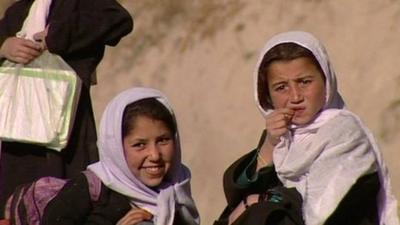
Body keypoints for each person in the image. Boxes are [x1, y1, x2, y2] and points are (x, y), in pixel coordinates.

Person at [214, 31, 399, 225]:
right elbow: (237, 202)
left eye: (304, 82)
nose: (295, 97)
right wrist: (270, 145)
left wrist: (265, 200)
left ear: (326, 82)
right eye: (281, 87)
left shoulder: (344, 134)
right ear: (266, 95)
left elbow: (323, 214)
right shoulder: (283, 138)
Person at [0, 0, 133, 215]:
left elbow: (119, 21)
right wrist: (4, 46)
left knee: (67, 202)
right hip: (19, 134)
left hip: (69, 129)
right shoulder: (19, 11)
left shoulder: (79, 5)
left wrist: (57, 36)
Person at [39, 87, 200, 225]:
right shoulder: (90, 189)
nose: (155, 155)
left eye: (163, 140)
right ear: (116, 147)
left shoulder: (178, 188)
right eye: (140, 145)